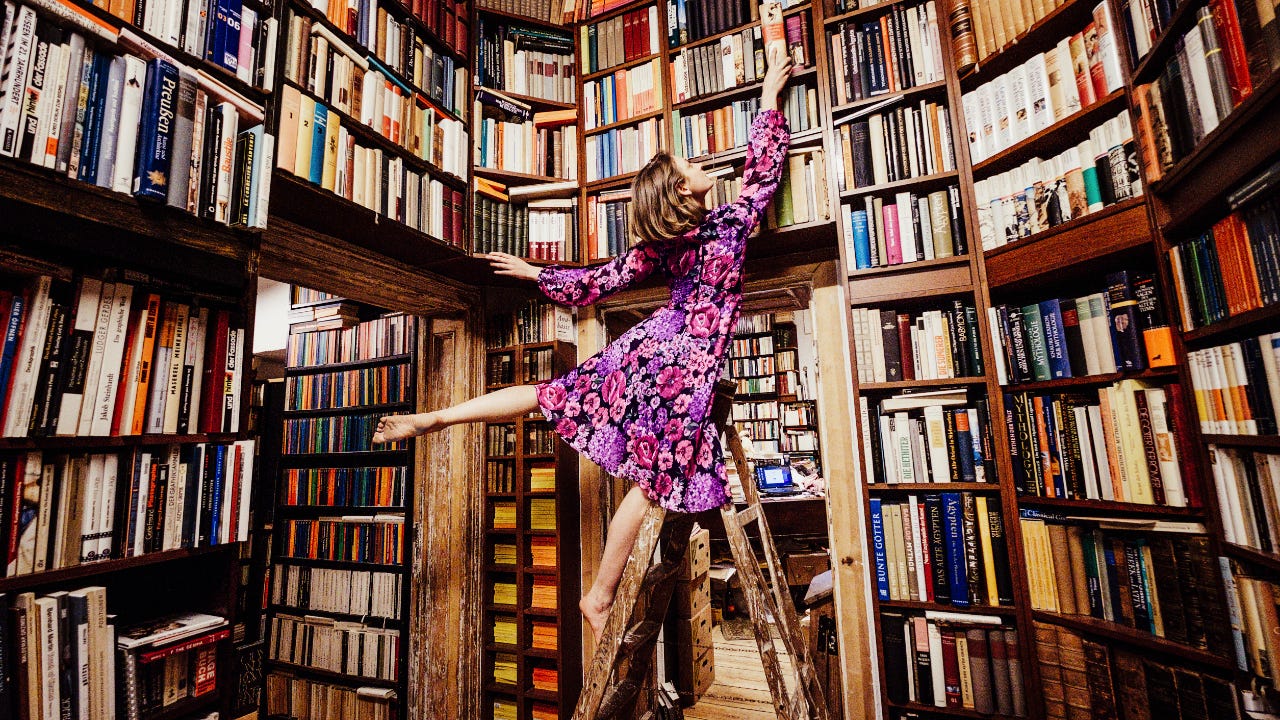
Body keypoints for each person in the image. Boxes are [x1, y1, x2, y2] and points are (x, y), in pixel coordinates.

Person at [372, 46, 794, 638]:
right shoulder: (732, 224)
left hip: (654, 350)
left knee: (553, 396)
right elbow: (764, 170)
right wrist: (770, 95)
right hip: (686, 367)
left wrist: (535, 274)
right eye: (686, 165)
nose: (698, 162)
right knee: (650, 486)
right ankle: (597, 597)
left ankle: (437, 419)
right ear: (681, 192)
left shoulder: (668, 244)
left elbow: (597, 281)